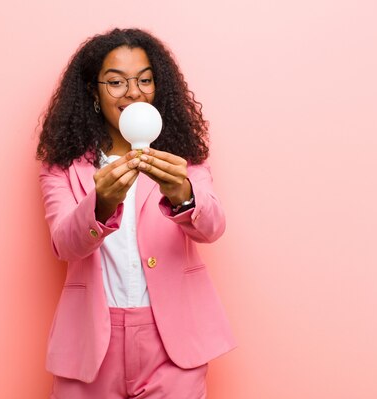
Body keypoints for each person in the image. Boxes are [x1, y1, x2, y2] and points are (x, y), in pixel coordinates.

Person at [37, 28, 236, 399]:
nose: (133, 91)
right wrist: (100, 205)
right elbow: (64, 244)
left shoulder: (183, 158)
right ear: (93, 92)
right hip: (91, 343)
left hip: (173, 341)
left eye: (145, 80)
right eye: (116, 82)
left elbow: (212, 228)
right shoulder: (64, 165)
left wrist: (183, 193)